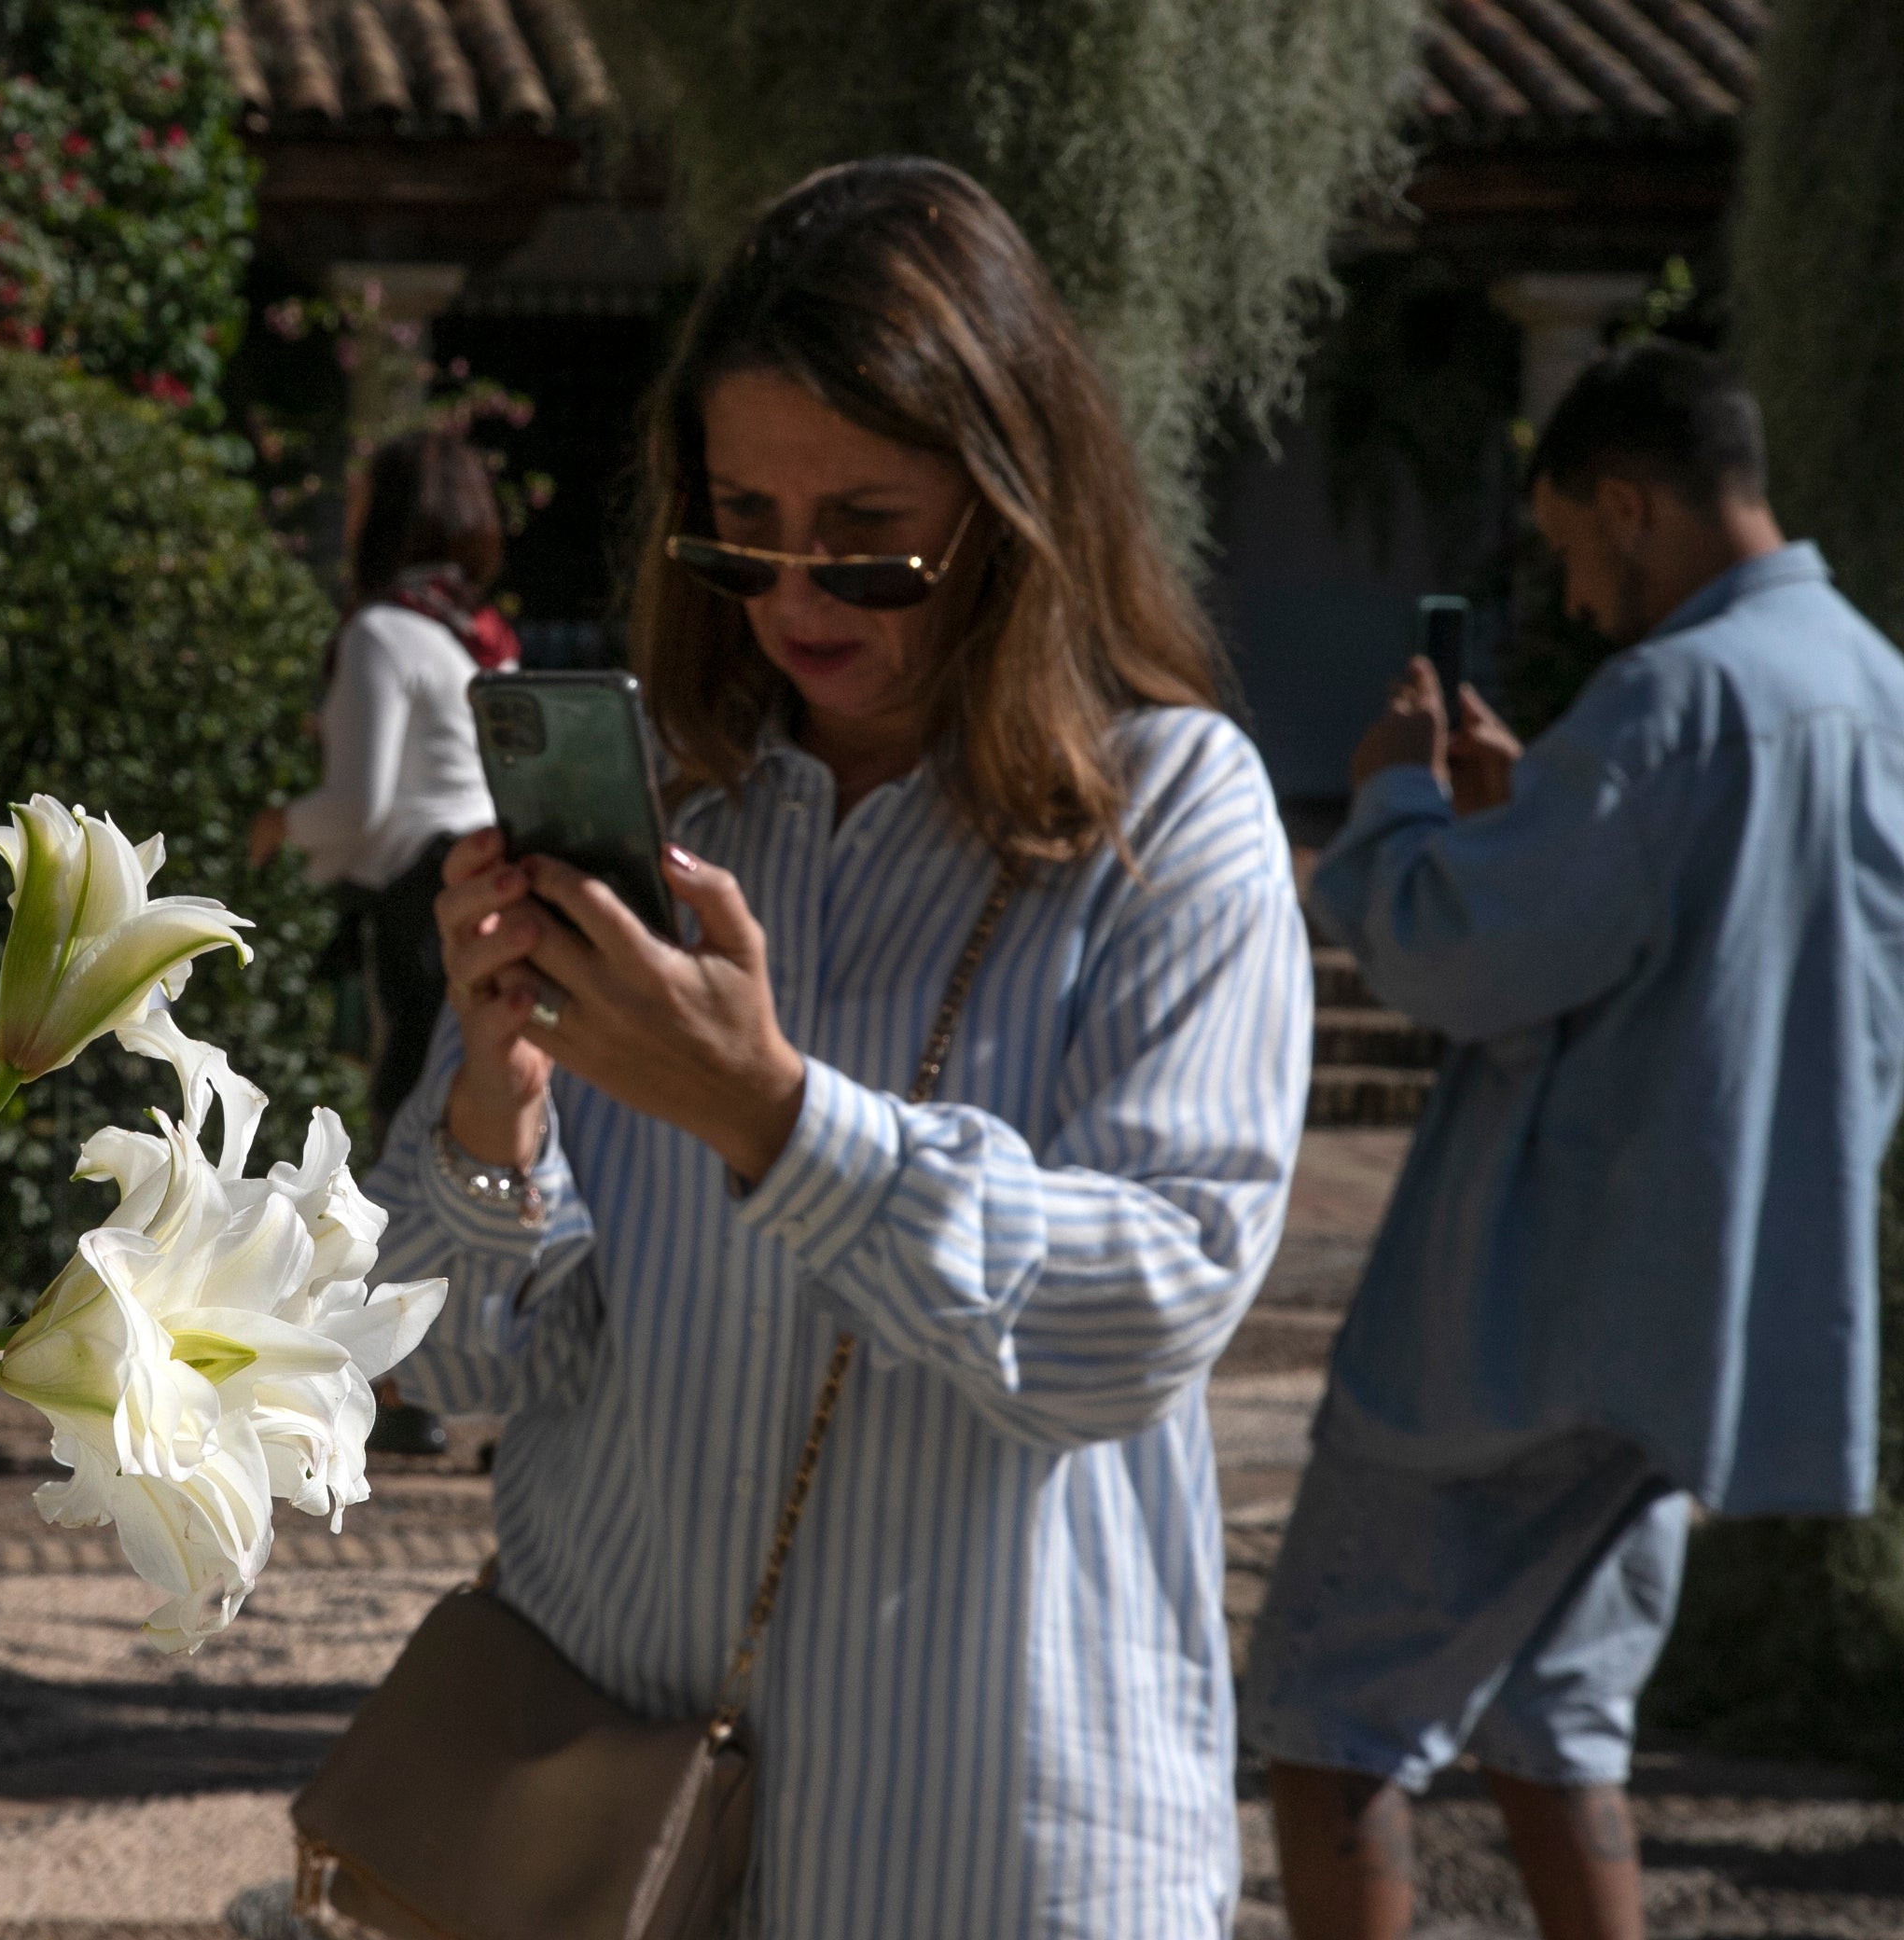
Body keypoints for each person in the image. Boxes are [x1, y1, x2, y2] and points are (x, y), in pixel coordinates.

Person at [363, 159, 1313, 1936]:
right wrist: (494, 1113)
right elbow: (446, 1371)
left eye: (868, 533)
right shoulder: (669, 815)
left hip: (986, 1845)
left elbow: (1151, 1308)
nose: (796, 594)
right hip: (606, 1820)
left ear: (1016, 498)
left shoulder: (1168, 816)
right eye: (740, 528)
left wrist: (775, 1121)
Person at [1244, 341, 1904, 1940]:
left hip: (1527, 1320)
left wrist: (1394, 807)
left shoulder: (1677, 698)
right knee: (1559, 1722)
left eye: (1565, 547)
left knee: (1330, 1721)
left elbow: (1463, 957)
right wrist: (1534, 809)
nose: (1578, 593)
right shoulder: (1870, 681)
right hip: (1702, 1319)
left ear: (1630, 505)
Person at [254, 428, 519, 1458]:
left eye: (364, 497)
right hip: (495, 879)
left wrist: (279, 824)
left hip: (421, 894)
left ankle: (405, 1389)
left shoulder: (380, 634)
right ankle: (474, 1379)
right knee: (480, 1131)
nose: (350, 514)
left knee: (406, 1126)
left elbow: (361, 808)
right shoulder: (476, 634)